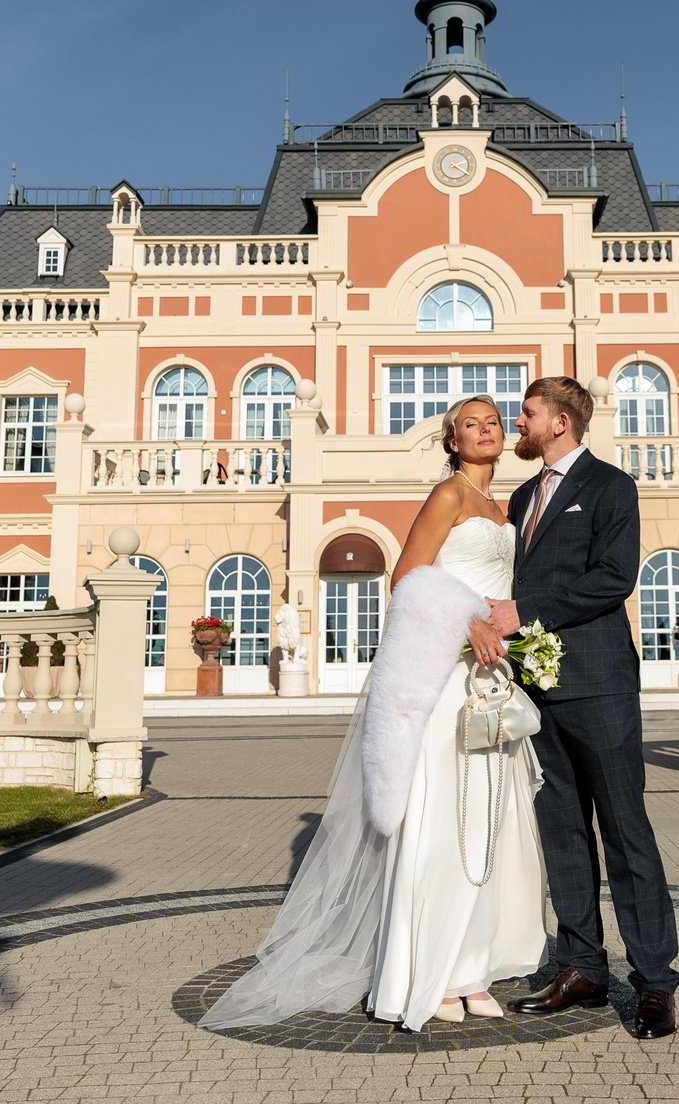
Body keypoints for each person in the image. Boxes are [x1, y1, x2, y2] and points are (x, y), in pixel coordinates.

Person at [199, 395, 547, 1033]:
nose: (486, 430)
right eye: (471, 425)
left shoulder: (505, 507)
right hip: (449, 674)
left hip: (493, 675)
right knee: (444, 818)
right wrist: (468, 621)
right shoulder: (449, 495)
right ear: (452, 441)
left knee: (487, 821)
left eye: (494, 422)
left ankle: (470, 966)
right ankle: (427, 972)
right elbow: (406, 576)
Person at [482, 375, 679, 1040]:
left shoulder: (609, 486)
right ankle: (583, 968)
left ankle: (654, 982)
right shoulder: (521, 496)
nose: (518, 422)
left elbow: (613, 579)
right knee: (562, 832)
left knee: (625, 830)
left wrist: (523, 611)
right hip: (537, 691)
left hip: (599, 683)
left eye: (527, 413)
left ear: (561, 421)